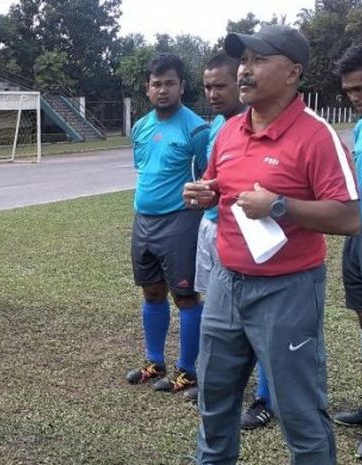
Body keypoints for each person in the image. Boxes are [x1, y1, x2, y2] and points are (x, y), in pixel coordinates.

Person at [184, 25, 360, 464]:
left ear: (293, 72)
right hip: (226, 284)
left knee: (299, 412)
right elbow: (218, 184)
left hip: (288, 291)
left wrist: (280, 205)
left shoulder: (316, 136)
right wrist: (205, 192)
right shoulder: (226, 132)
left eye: (259, 60)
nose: (244, 70)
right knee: (215, 401)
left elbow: (349, 217)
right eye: (243, 60)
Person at [184, 53, 274, 429]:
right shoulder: (218, 126)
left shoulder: (254, 126)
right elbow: (217, 179)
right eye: (207, 87)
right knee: (216, 310)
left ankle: (265, 399)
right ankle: (213, 379)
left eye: (221, 85)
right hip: (211, 226)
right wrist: (204, 192)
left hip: (249, 233)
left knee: (260, 320)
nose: (214, 93)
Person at [126, 53, 209, 393]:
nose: (163, 89)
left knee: (185, 296)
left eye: (169, 83)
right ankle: (154, 361)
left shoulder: (196, 129)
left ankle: (188, 370)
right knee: (151, 291)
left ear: (182, 87)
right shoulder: (141, 127)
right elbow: (143, 170)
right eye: (156, 83)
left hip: (180, 222)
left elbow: (206, 178)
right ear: (147, 88)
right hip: (143, 221)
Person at [331, 44, 362, 459]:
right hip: (357, 234)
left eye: (361, 88)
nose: (355, 97)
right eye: (350, 91)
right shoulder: (360, 128)